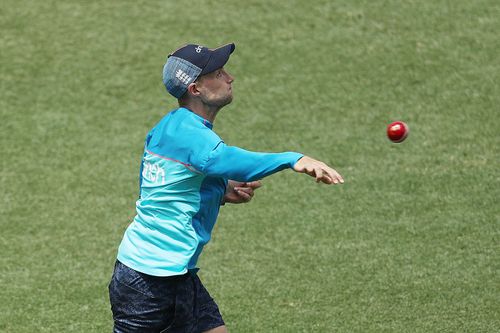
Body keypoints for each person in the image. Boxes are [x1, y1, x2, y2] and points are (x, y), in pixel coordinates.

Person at [108, 42, 344, 333]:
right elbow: (228, 161)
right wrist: (292, 159)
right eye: (218, 73)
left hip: (173, 274)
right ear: (195, 89)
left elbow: (162, 185)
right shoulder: (191, 135)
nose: (230, 77)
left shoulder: (169, 127)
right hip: (149, 282)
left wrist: (218, 190)